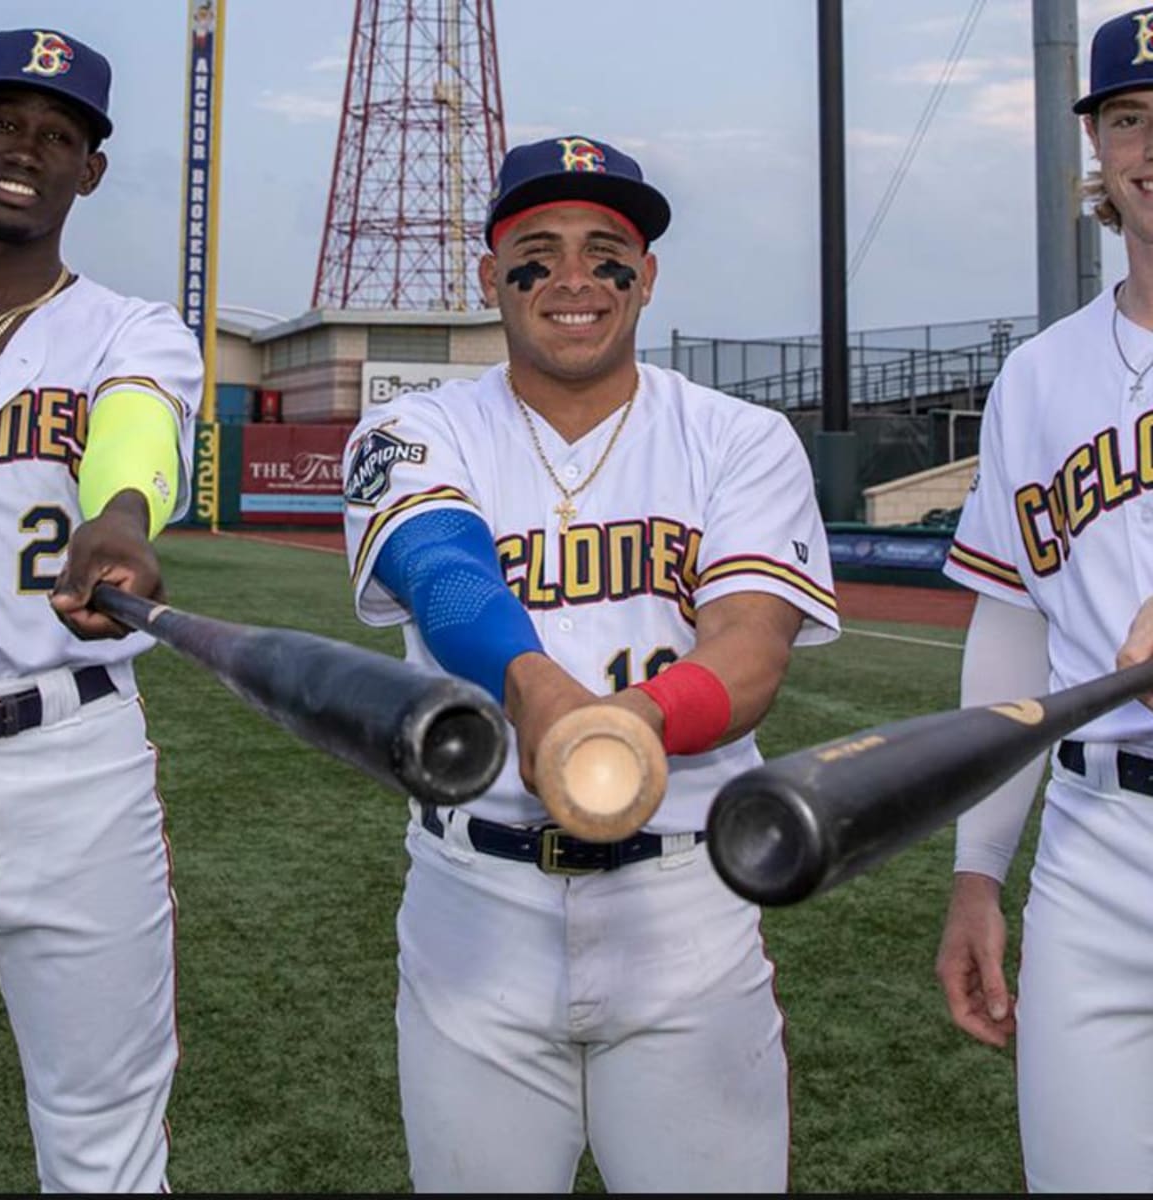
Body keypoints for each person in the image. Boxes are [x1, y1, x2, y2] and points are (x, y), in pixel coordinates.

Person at [341, 133, 840, 1192]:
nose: (573, 278)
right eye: (538, 249)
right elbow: (442, 571)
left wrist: (634, 728)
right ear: (491, 276)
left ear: (646, 278)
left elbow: (751, 643)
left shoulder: (738, 437)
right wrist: (543, 695)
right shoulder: (416, 425)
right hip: (477, 909)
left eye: (606, 250)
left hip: (686, 906)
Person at [0, 28, 201, 1192]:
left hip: (72, 756)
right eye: (4, 122)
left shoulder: (128, 328)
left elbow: (139, 421)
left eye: (60, 136)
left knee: (105, 1141)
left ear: (90, 172)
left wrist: (122, 517)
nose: (27, 150)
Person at [935, 6, 1153, 1190]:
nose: (1152, 145)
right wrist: (980, 871)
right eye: (1130, 118)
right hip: (1096, 841)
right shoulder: (1040, 374)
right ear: (1101, 158)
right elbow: (1012, 632)